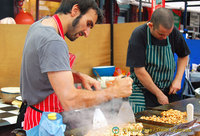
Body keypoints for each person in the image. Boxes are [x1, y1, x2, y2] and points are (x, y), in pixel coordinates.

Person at [20, 0, 133, 131]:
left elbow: (42, 71)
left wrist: (76, 76)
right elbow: (69, 100)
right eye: (88, 24)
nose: (87, 33)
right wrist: (113, 92)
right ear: (75, 10)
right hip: (45, 125)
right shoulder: (53, 41)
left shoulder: (39, 26)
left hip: (34, 118)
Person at [126, 8, 190, 113]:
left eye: (167, 34)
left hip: (167, 88)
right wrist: (158, 94)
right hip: (142, 88)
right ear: (151, 25)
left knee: (177, 117)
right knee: (139, 118)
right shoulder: (139, 34)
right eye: (161, 34)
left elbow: (184, 56)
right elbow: (139, 71)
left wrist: (178, 79)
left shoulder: (173, 32)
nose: (165, 38)